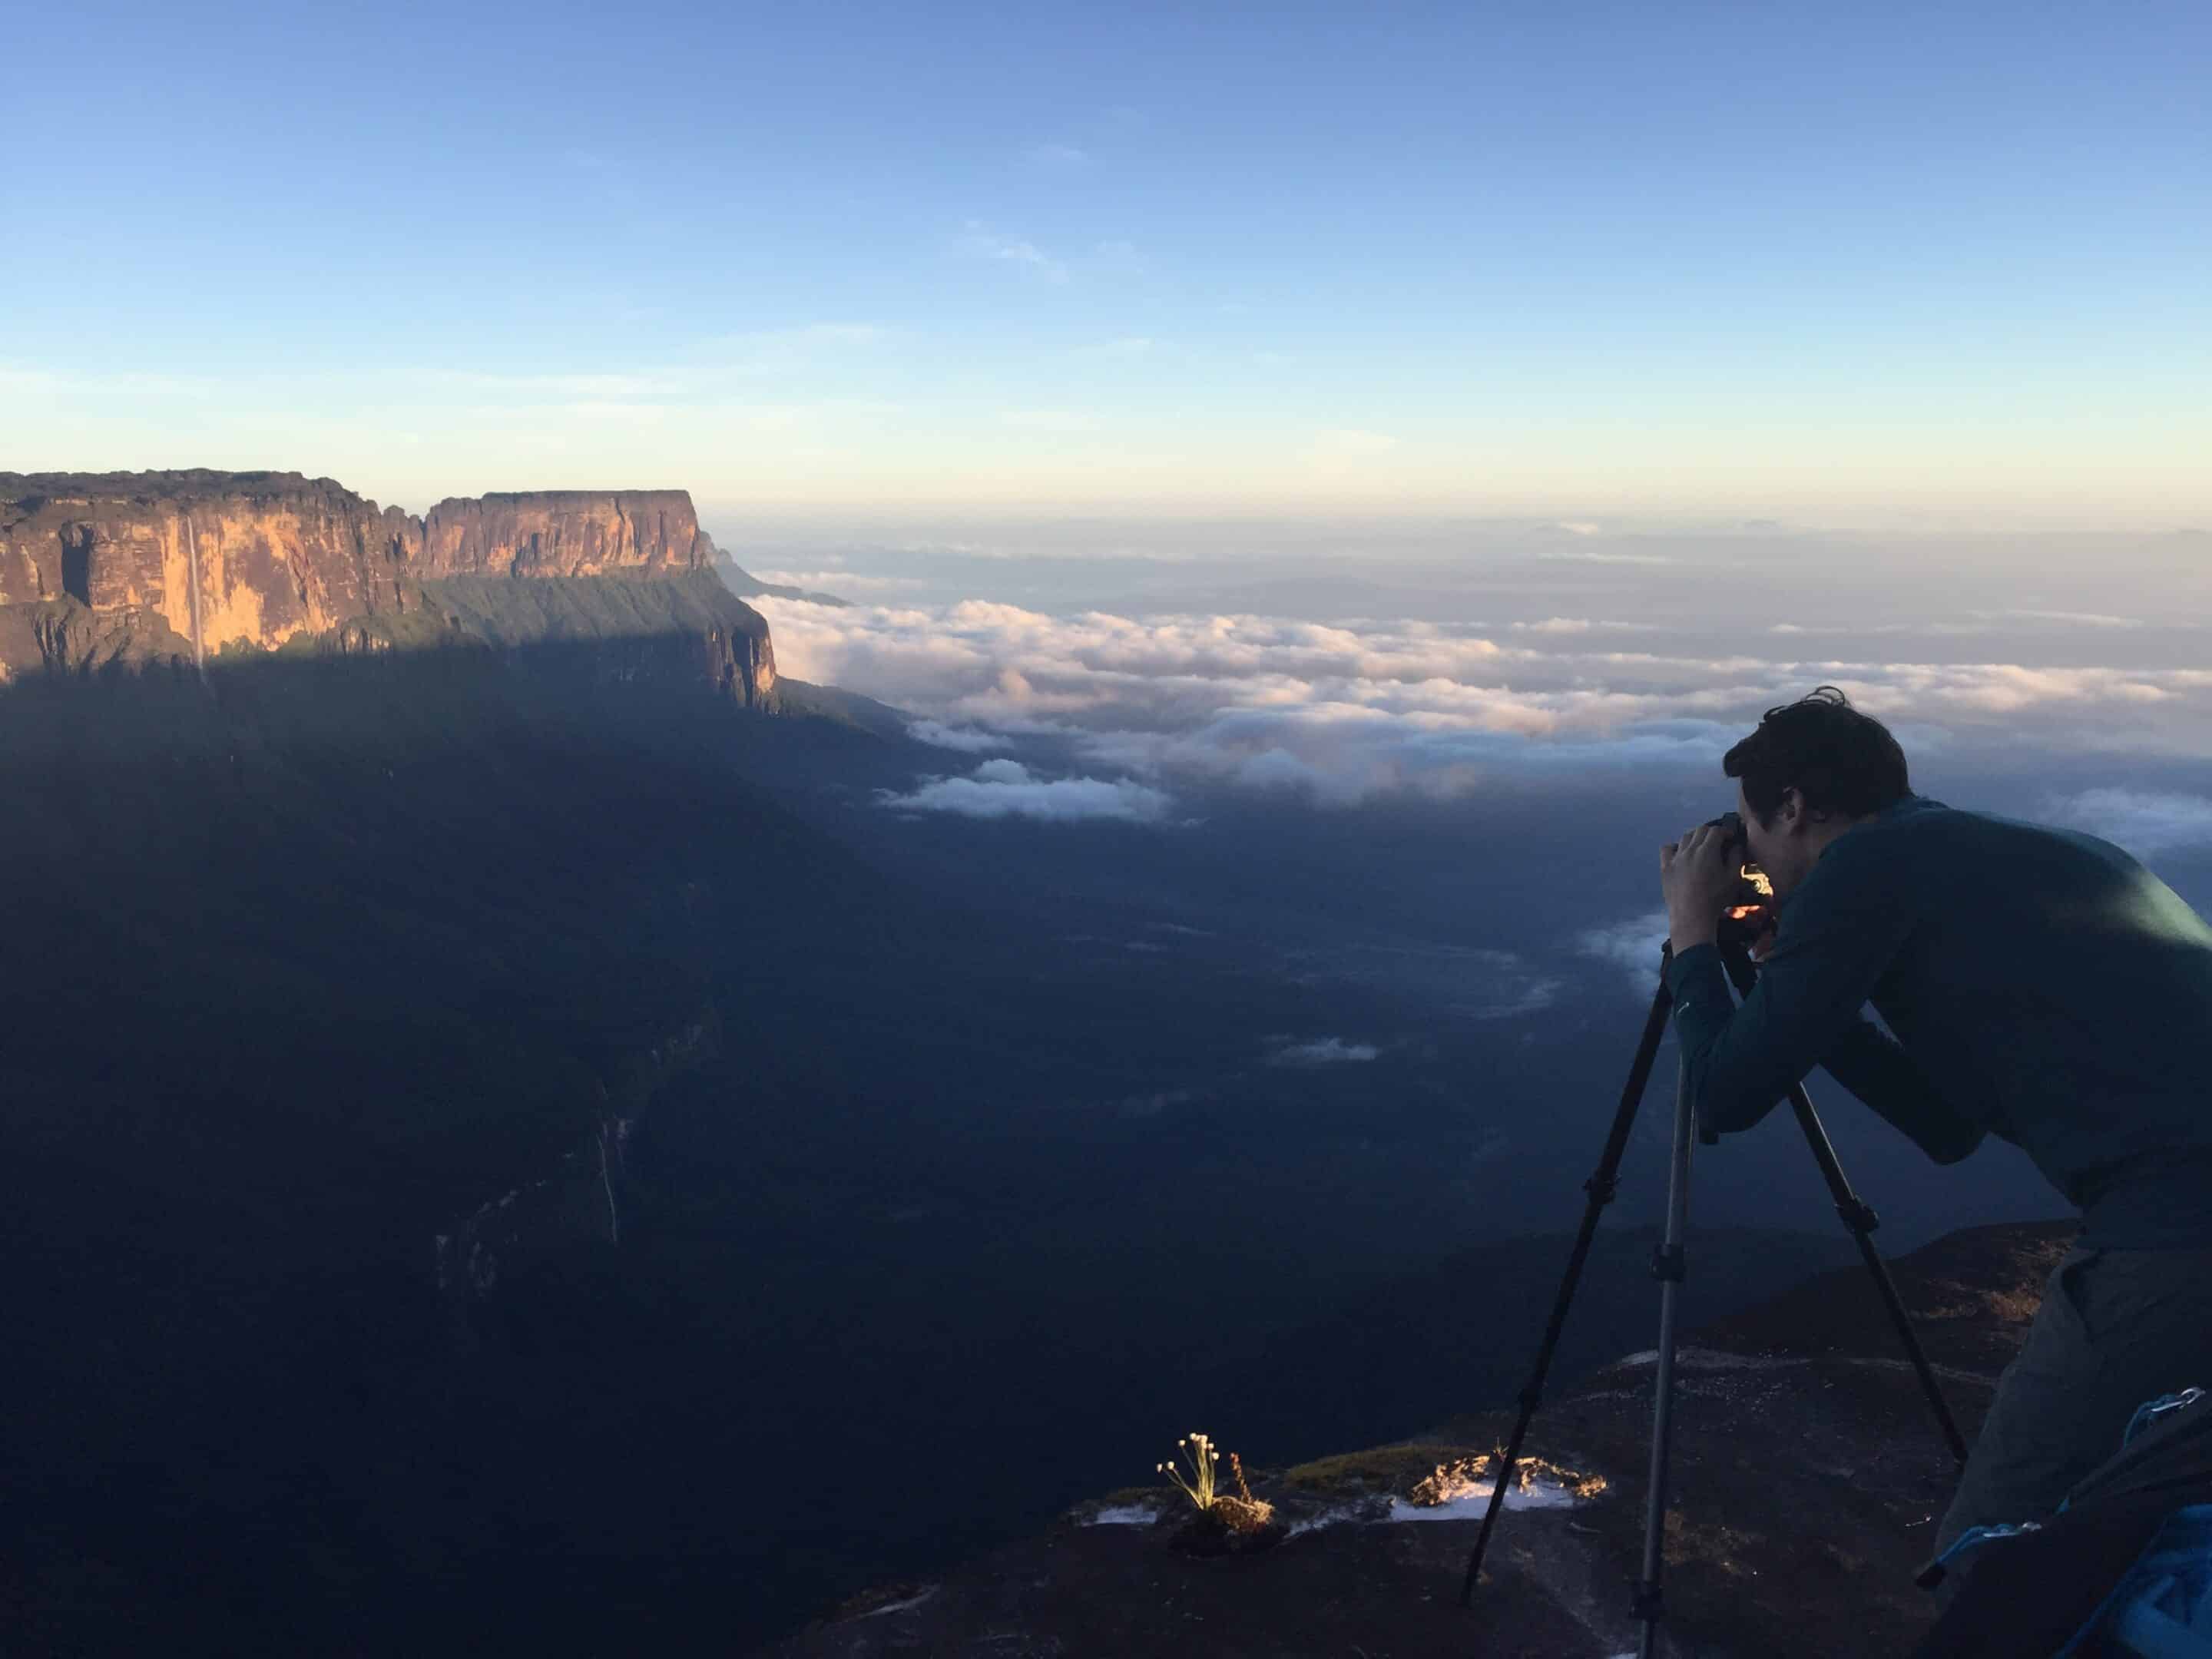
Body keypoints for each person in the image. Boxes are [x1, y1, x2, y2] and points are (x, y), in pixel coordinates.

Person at [1656, 685, 2212, 1568]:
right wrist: (1797, 989)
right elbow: (1946, 1126)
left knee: (1995, 1548)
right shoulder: (2009, 851)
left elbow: (1723, 1097)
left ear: (1793, 808)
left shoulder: (1862, 873)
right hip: (2184, 1217)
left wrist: (1692, 940)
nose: (1748, 855)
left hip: (2177, 1231)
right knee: (2156, 1530)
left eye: (1749, 832)